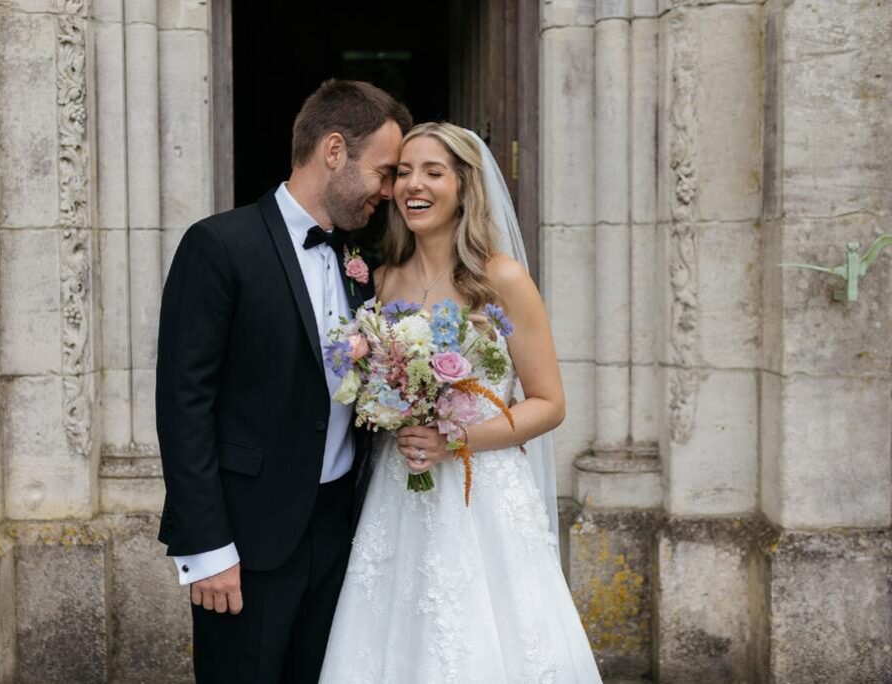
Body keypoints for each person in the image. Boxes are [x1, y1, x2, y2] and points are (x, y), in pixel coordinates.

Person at [319, 122, 603, 682]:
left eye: (432, 172)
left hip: (483, 497)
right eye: (402, 172)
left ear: (465, 187)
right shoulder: (379, 283)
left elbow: (548, 403)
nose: (412, 185)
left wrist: (457, 439)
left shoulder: (501, 278)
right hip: (397, 494)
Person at [155, 79, 412, 683]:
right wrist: (207, 549)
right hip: (247, 541)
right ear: (332, 150)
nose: (391, 191)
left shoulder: (358, 263)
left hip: (337, 529)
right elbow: (183, 403)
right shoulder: (219, 244)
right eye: (383, 171)